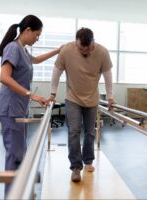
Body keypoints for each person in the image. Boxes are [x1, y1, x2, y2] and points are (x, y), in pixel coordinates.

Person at [0, 15, 61, 194]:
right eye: (37, 35)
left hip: (19, 107)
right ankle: (12, 195)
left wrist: (58, 51)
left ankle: (19, 190)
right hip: (10, 108)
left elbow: (37, 60)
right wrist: (32, 95)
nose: (37, 38)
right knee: (15, 155)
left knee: (20, 151)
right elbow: (4, 77)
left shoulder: (22, 50)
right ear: (27, 30)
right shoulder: (13, 48)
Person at [48, 27, 115, 182]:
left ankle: (88, 161)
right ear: (76, 42)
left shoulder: (102, 52)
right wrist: (53, 93)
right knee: (74, 131)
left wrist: (110, 97)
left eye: (88, 49)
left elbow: (108, 75)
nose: (84, 52)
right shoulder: (66, 50)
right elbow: (57, 71)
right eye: (81, 49)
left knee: (90, 132)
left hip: (92, 99)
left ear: (93, 42)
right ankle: (76, 167)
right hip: (73, 98)